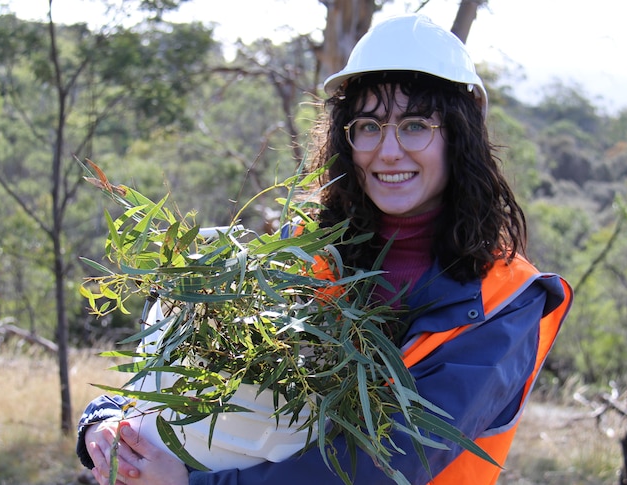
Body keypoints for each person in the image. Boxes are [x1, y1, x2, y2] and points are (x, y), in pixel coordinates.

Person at [76, 13, 572, 485]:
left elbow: (389, 463)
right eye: (369, 126)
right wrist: (109, 422)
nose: (389, 150)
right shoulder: (301, 249)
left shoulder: (505, 303)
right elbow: (184, 354)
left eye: (417, 125)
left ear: (459, 136)